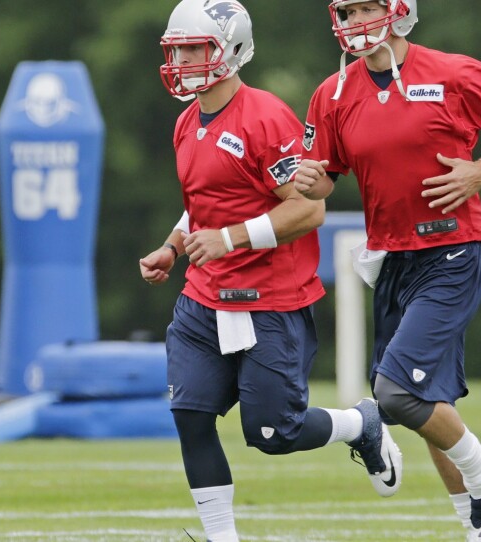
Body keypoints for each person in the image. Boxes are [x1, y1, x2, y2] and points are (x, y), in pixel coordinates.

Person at [138, 1, 402, 540]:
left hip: (270, 300)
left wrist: (230, 239)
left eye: (195, 48)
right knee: (190, 415)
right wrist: (173, 245)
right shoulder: (188, 121)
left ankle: (361, 423)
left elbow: (308, 209)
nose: (184, 60)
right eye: (178, 49)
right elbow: (207, 202)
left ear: (231, 50)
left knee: (272, 433)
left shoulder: (265, 117)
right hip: (204, 299)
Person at [294, 1, 481, 541]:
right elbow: (322, 181)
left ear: (397, 9)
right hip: (391, 260)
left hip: (452, 250)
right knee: (429, 399)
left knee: (397, 393)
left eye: (368, 8)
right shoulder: (332, 93)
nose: (357, 21)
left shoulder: (451, 71)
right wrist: (306, 178)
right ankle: (473, 521)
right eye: (349, 9)